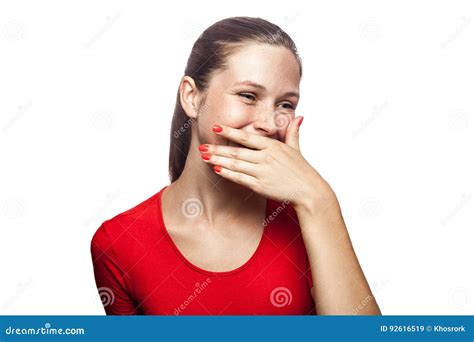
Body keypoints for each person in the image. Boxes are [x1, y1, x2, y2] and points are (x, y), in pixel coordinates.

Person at [91, 16, 381, 315]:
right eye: (248, 96)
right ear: (192, 97)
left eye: (285, 105)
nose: (269, 124)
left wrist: (318, 199)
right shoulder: (119, 242)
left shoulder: (308, 218)